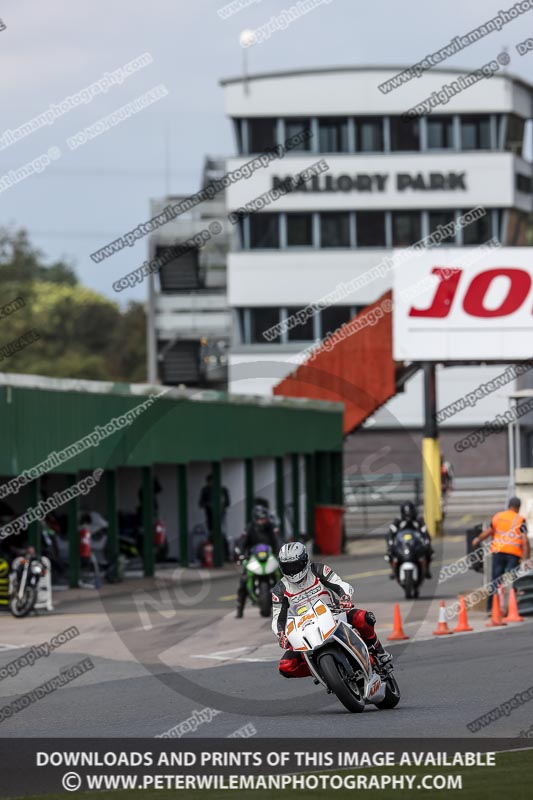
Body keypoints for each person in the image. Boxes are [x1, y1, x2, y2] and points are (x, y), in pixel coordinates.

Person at [272, 542, 392, 677]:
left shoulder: (318, 569)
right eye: (288, 567)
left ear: (304, 560)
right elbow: (277, 617)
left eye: (295, 565)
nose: (292, 571)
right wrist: (281, 634)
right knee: (286, 666)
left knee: (363, 618)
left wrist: (345, 597)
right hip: (304, 627)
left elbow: (339, 584)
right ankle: (321, 671)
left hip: (332, 613)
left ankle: (378, 651)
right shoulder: (279, 589)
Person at [472, 496, 531, 612]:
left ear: (509, 505)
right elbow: (525, 541)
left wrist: (477, 539)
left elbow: (489, 532)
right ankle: (516, 608)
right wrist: (527, 558)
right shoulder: (520, 520)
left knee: (495, 580)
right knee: (514, 580)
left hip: (498, 552)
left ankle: (491, 608)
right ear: (518, 507)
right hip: (513, 555)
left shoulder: (498, 516)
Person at [235, 504, 279, 618]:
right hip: (253, 558)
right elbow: (242, 541)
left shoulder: (272, 527)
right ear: (255, 518)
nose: (262, 521)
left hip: (270, 557)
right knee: (244, 580)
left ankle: (290, 604)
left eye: (264, 518)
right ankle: (240, 608)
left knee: (284, 577)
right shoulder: (249, 528)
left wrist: (282, 551)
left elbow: (278, 540)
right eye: (259, 519)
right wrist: (240, 553)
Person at [386, 501, 433, 579]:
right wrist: (390, 543)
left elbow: (425, 532)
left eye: (410, 512)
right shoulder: (398, 521)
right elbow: (390, 534)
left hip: (415, 545)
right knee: (389, 554)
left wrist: (427, 542)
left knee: (429, 552)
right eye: (407, 513)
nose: (408, 515)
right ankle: (393, 570)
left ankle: (426, 570)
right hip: (402, 545)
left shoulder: (418, 521)